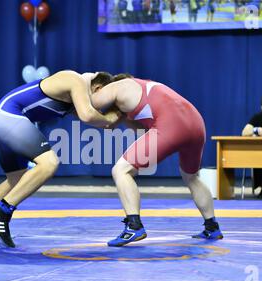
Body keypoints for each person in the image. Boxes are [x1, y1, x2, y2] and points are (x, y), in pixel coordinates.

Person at [0, 70, 121, 247]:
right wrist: (110, 116)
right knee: (49, 163)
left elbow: (101, 122)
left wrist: (118, 113)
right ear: (98, 87)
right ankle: (1, 211)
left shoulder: (74, 95)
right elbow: (89, 115)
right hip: (8, 118)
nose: (99, 106)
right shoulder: (75, 80)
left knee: (16, 179)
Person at [90, 73, 223, 247]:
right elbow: (134, 128)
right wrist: (120, 116)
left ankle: (134, 226)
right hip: (197, 124)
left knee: (121, 170)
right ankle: (212, 226)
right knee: (191, 177)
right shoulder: (146, 89)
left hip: (171, 124)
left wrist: (71, 92)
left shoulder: (119, 86)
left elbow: (91, 105)